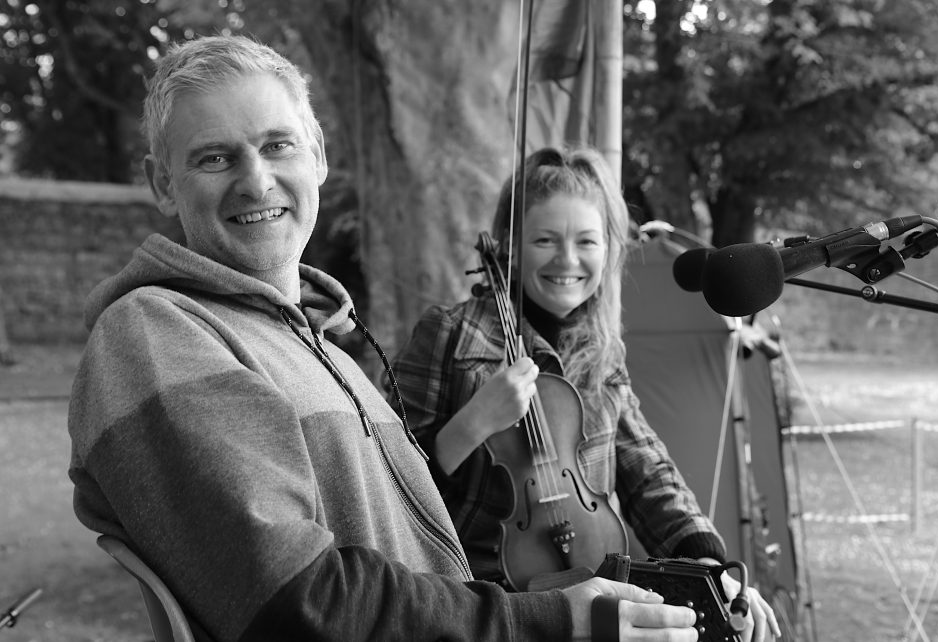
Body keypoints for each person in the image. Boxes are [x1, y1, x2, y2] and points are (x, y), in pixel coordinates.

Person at [67, 35, 707, 641]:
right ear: (162, 183)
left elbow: (642, 469)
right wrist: (543, 621)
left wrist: (699, 562)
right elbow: (298, 602)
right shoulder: (157, 333)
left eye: (278, 145)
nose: (256, 181)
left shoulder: (318, 343)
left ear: (318, 156)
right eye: (215, 157)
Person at [389, 146, 781, 641]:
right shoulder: (449, 335)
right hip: (477, 606)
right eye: (545, 240)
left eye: (587, 241)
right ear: (511, 247)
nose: (568, 260)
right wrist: (473, 423)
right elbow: (389, 484)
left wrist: (707, 565)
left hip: (591, 596)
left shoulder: (602, 353)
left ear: (610, 250)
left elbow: (648, 471)